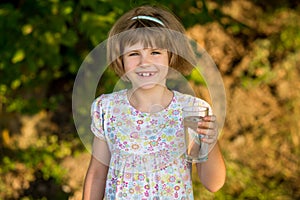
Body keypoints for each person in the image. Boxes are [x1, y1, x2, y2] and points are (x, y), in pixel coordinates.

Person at [83, 5, 226, 199]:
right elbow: (97, 174)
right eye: (134, 54)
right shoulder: (107, 108)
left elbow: (213, 183)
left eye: (155, 53)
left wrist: (210, 142)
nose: (145, 62)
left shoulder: (191, 110)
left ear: (170, 55)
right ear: (121, 60)